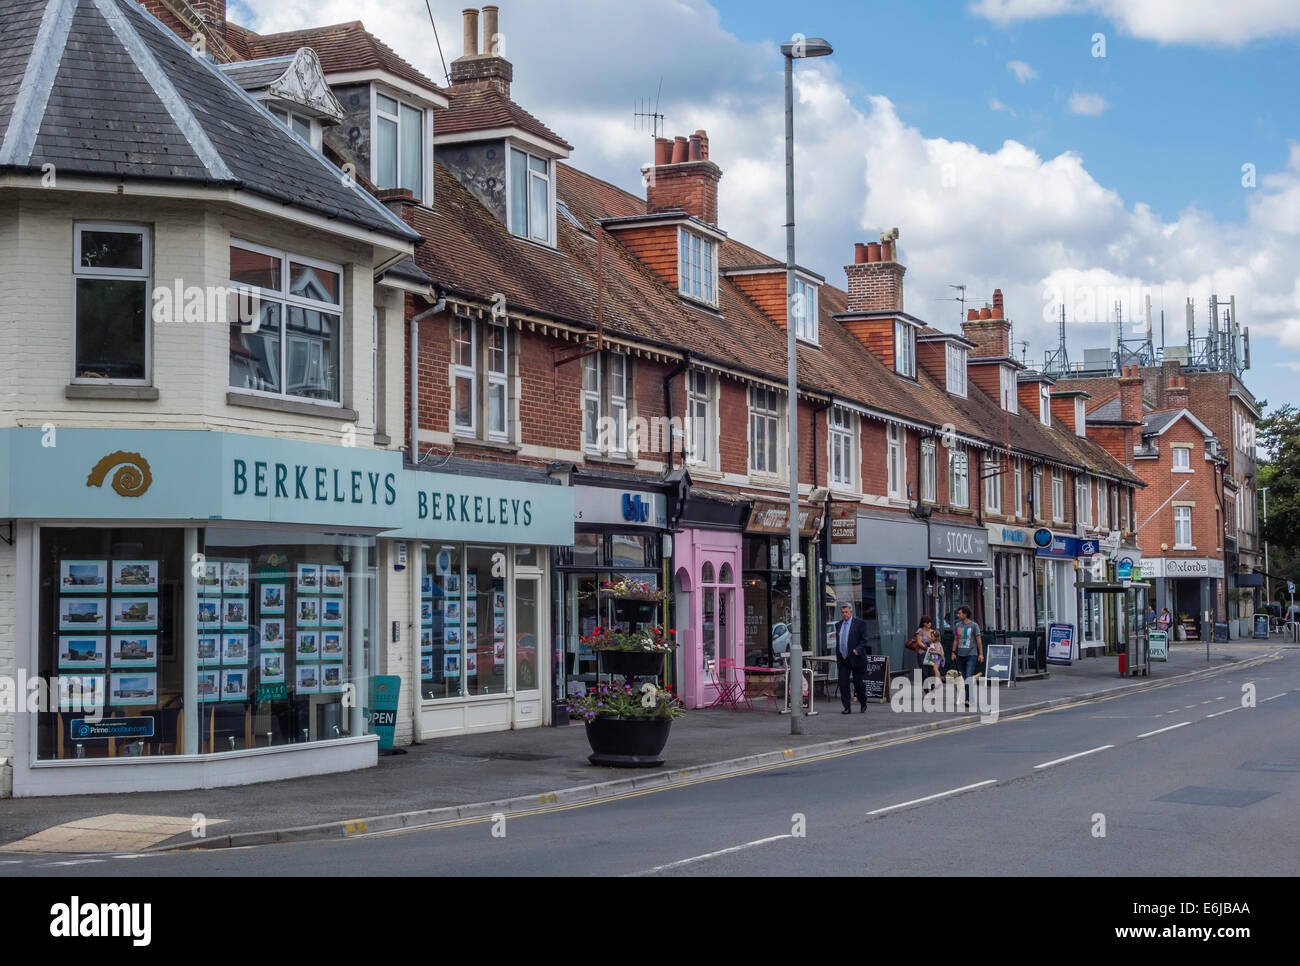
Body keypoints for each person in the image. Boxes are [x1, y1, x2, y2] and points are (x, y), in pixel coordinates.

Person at [833, 601, 869, 714]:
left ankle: (863, 702)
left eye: (846, 612)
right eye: (842, 612)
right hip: (843, 658)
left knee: (859, 684)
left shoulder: (860, 623)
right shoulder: (838, 625)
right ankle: (847, 707)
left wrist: (857, 649)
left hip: (856, 658)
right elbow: (839, 640)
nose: (844, 614)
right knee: (843, 684)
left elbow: (864, 640)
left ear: (851, 612)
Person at [953, 605, 983, 705]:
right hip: (960, 654)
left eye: (960, 613)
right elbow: (956, 639)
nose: (958, 615)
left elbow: (978, 640)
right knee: (965, 677)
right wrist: (953, 652)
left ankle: (968, 699)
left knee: (969, 676)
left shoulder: (974, 626)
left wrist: (981, 654)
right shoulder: (958, 625)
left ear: (965, 614)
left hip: (971, 654)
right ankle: (970, 697)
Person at [914, 617, 943, 684]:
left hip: (932, 654)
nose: (929, 623)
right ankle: (925, 686)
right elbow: (919, 642)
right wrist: (926, 648)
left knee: (931, 671)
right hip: (922, 653)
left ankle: (932, 686)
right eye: (927, 622)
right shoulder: (920, 631)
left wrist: (940, 652)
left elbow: (937, 642)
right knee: (924, 671)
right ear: (923, 623)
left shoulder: (933, 631)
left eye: (930, 622)